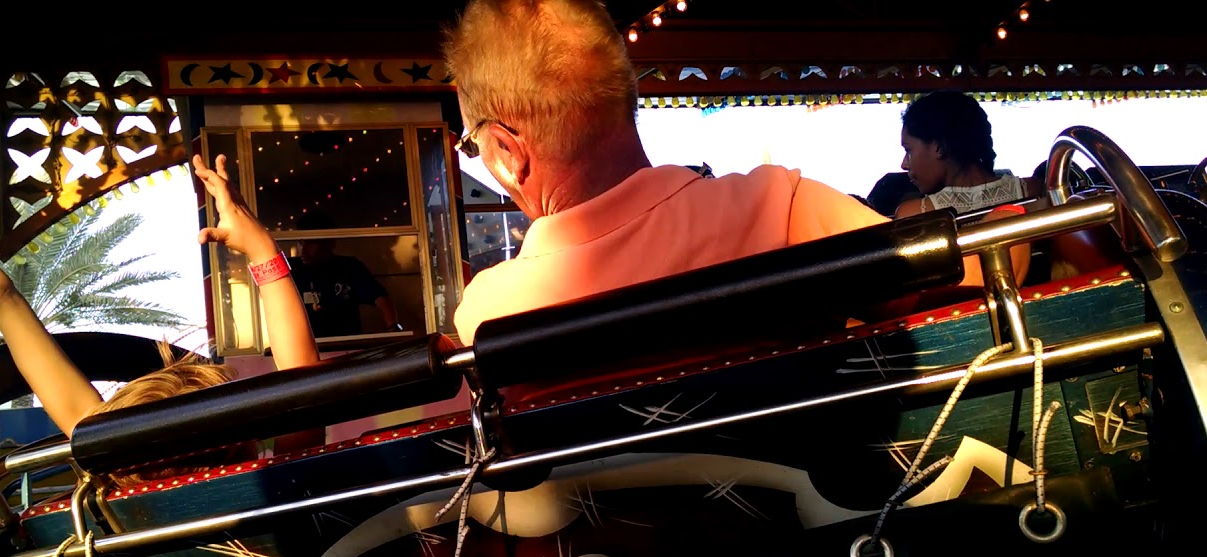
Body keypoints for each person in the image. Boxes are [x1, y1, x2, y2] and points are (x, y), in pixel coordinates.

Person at [442, 0, 890, 346]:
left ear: (506, 151)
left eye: (472, 145)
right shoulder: (787, 210)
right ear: (627, 97)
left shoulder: (488, 317)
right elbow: (952, 293)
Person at [0, 152, 322, 488]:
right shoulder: (284, 488)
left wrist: (3, 299)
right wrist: (260, 248)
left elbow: (82, 419)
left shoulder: (126, 525)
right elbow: (305, 388)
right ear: (247, 440)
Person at [893, 90, 1036, 287]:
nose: (904, 164)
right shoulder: (1036, 191)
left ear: (938, 147)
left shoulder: (914, 214)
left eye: (908, 150)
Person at [289, 231, 402, 338]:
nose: (302, 250)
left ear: (330, 243)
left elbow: (380, 298)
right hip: (303, 346)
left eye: (310, 244)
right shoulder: (292, 269)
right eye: (300, 242)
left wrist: (394, 330)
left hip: (346, 345)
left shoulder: (348, 267)